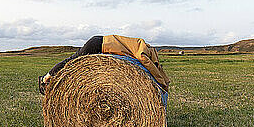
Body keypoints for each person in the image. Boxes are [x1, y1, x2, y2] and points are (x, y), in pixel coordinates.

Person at [38, 35, 170, 94]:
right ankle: (46, 78)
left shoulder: (143, 46)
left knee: (72, 63)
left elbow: (155, 66)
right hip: (97, 45)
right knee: (71, 63)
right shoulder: (145, 50)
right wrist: (161, 82)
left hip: (98, 41)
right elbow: (147, 63)